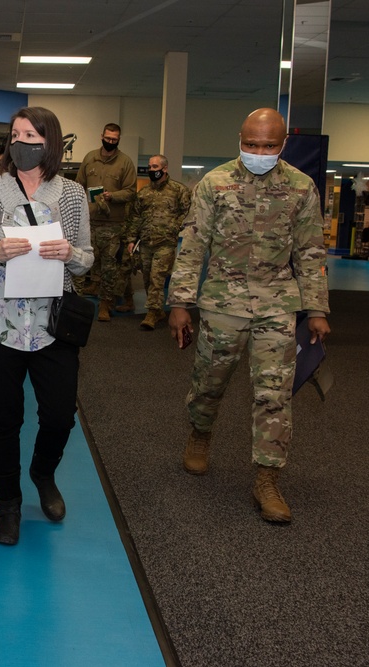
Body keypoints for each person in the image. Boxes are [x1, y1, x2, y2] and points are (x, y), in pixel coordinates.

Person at [167, 107, 330, 524]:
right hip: (223, 303)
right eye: (252, 144)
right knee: (209, 383)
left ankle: (267, 480)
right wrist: (181, 304)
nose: (260, 152)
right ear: (239, 139)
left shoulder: (300, 187)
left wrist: (316, 309)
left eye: (269, 145)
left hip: (278, 303)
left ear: (283, 144)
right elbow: (192, 245)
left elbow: (311, 252)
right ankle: (200, 434)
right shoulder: (215, 183)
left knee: (273, 395)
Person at [0, 106, 93, 546]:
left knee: (59, 416)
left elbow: (87, 261)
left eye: (31, 135)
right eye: (15, 134)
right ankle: (9, 502)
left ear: (49, 142)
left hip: (53, 327)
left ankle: (43, 471)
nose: (21, 143)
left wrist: (69, 254)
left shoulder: (72, 195)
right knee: (4, 419)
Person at [74, 122, 137, 321]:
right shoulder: (90, 158)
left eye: (114, 140)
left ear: (118, 139)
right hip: (90, 219)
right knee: (90, 260)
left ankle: (105, 304)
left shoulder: (125, 162)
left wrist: (113, 196)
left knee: (110, 265)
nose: (110, 142)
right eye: (107, 138)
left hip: (112, 223)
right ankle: (83, 296)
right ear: (102, 136)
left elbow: (131, 191)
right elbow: (79, 185)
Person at [124, 154, 192, 330]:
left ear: (165, 168)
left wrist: (174, 227)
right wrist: (131, 239)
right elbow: (136, 217)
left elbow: (188, 213)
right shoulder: (144, 193)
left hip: (166, 243)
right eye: (150, 167)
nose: (152, 170)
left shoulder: (179, 190)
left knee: (157, 278)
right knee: (146, 278)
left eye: (155, 167)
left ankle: (152, 313)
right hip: (146, 242)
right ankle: (158, 309)